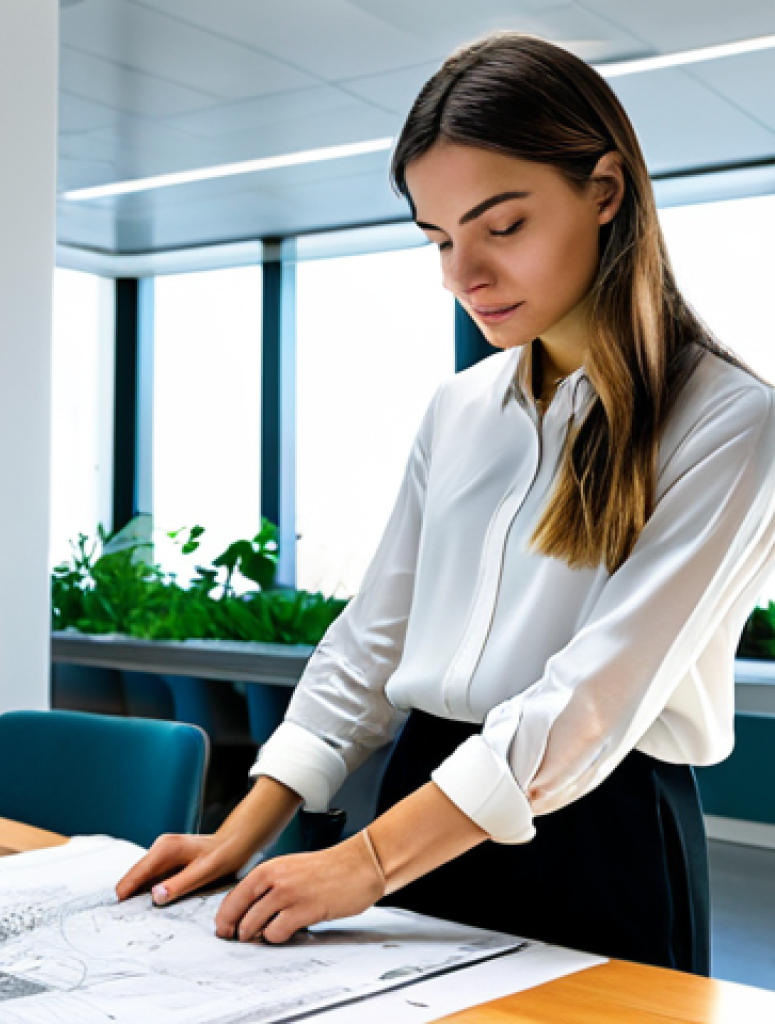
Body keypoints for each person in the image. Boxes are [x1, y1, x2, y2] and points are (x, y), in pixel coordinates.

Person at [116, 31, 775, 975]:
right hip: (421, 808)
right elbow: (372, 639)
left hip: (600, 833)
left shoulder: (734, 422)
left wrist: (367, 859)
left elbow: (590, 704)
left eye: (501, 226)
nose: (461, 274)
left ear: (605, 191)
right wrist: (246, 827)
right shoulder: (460, 408)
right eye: (438, 238)